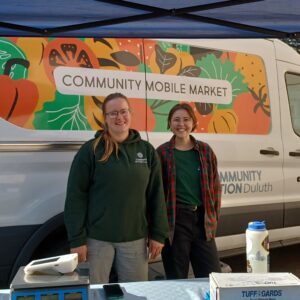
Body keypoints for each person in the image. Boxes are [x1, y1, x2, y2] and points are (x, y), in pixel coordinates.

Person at [64, 93, 168, 283]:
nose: (119, 117)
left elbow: (156, 195)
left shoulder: (146, 151)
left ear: (130, 113)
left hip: (135, 240)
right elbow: (75, 196)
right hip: (96, 240)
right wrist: (77, 240)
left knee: (136, 294)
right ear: (105, 118)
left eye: (123, 111)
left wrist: (158, 234)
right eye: (113, 113)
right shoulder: (91, 150)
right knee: (94, 293)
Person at [156, 103, 222, 279]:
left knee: (212, 277)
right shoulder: (162, 153)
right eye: (176, 119)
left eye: (186, 119)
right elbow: (156, 194)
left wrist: (212, 218)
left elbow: (215, 188)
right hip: (176, 223)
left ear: (193, 122)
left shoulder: (205, 151)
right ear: (169, 123)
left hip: (202, 221)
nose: (181, 124)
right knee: (177, 279)